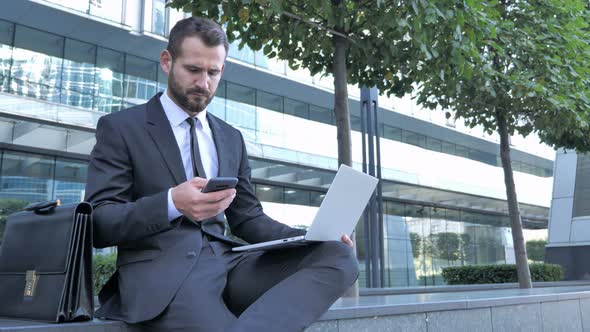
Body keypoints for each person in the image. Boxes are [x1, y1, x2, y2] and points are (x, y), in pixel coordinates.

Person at [85, 16, 359, 332]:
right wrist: (172, 202)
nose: (203, 82)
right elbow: (100, 223)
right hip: (163, 275)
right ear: (166, 61)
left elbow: (249, 219)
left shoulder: (230, 137)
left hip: (230, 265)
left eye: (213, 73)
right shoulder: (121, 128)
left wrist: (308, 237)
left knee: (337, 255)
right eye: (193, 70)